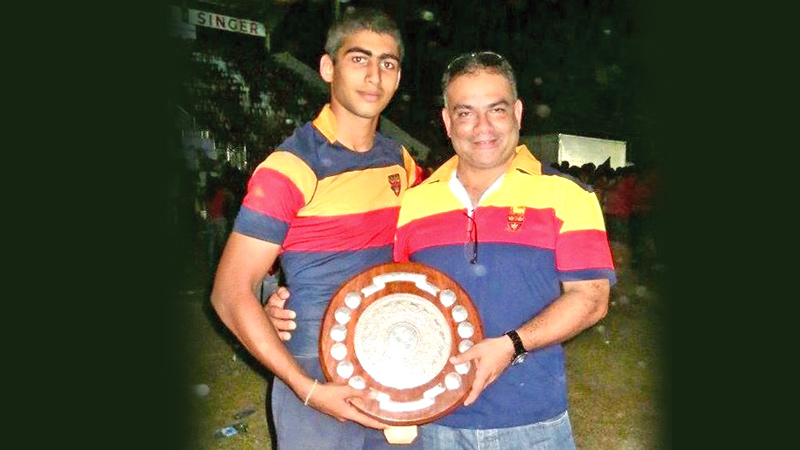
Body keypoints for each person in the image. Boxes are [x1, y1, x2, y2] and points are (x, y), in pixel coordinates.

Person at [269, 51, 617, 449]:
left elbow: (591, 299)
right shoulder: (414, 203)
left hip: (531, 423)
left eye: (497, 110)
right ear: (447, 121)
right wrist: (281, 302)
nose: (482, 127)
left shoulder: (568, 195)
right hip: (430, 425)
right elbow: (375, 285)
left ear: (518, 113)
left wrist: (512, 345)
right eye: (465, 112)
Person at [210, 8, 420, 450]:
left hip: (392, 363)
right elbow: (229, 293)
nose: (374, 77)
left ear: (398, 78)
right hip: (313, 366)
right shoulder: (290, 167)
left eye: (387, 63)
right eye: (359, 59)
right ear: (328, 68)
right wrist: (305, 388)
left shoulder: (401, 161)